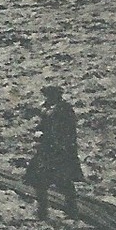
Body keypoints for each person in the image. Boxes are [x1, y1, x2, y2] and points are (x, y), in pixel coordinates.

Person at [24, 84, 83, 221]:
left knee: (64, 181)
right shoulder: (48, 109)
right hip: (47, 150)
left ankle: (71, 210)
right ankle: (42, 212)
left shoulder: (65, 110)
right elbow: (43, 125)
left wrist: (59, 144)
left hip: (61, 151)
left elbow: (68, 131)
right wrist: (39, 133)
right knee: (40, 180)